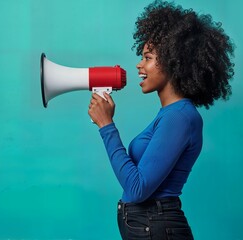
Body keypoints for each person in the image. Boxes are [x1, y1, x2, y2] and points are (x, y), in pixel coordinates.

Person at [88, 1, 235, 239]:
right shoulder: (171, 114)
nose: (139, 65)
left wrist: (106, 126)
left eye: (147, 57)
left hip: (156, 227)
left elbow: (137, 188)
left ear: (174, 61)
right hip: (151, 226)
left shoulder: (180, 117)